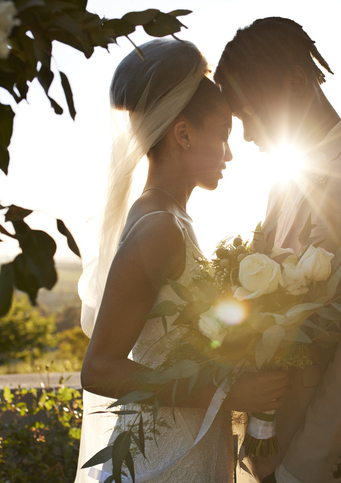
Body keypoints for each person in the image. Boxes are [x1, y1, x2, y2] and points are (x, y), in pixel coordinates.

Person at [75, 38, 289, 483]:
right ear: (184, 133)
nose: (230, 154)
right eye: (223, 136)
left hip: (187, 445)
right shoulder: (158, 227)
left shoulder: (173, 218)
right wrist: (228, 391)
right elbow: (98, 369)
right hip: (160, 462)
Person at [214, 18, 341, 483]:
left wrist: (299, 472)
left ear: (297, 82)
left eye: (251, 113)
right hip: (271, 441)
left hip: (330, 458)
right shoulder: (282, 184)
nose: (245, 135)